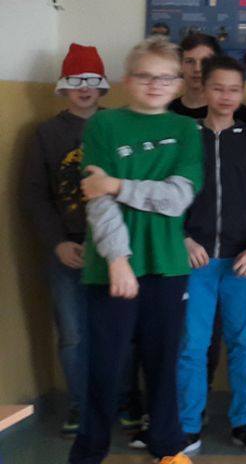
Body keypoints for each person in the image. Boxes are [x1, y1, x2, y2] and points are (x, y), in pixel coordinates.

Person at [69, 36, 203, 464]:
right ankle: (89, 451)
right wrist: (118, 260)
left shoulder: (186, 130)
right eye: (145, 76)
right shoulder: (103, 126)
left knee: (163, 364)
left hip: (167, 265)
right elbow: (97, 198)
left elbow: (176, 199)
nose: (155, 84)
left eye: (165, 77)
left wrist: (117, 184)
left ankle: (167, 447)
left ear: (178, 84)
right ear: (127, 80)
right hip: (110, 268)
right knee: (104, 365)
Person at [176, 56, 246, 455]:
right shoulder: (185, 139)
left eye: (234, 89)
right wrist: (183, 239)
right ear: (203, 89)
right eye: (218, 88)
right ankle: (188, 424)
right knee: (192, 345)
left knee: (242, 342)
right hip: (195, 263)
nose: (225, 96)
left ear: (241, 94)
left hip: (242, 263)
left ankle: (244, 421)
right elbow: (168, 198)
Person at [21, 44, 111, 437]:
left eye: (91, 81)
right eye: (76, 81)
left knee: (118, 329)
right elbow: (34, 195)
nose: (84, 89)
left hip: (113, 248)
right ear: (63, 87)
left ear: (102, 85)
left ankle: (122, 398)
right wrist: (57, 242)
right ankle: (81, 405)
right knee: (73, 333)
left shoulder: (117, 126)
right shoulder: (47, 133)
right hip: (66, 248)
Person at [169, 32, 246, 124]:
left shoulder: (237, 112)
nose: (197, 69)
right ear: (180, 66)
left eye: (205, 62)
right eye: (189, 61)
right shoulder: (167, 110)